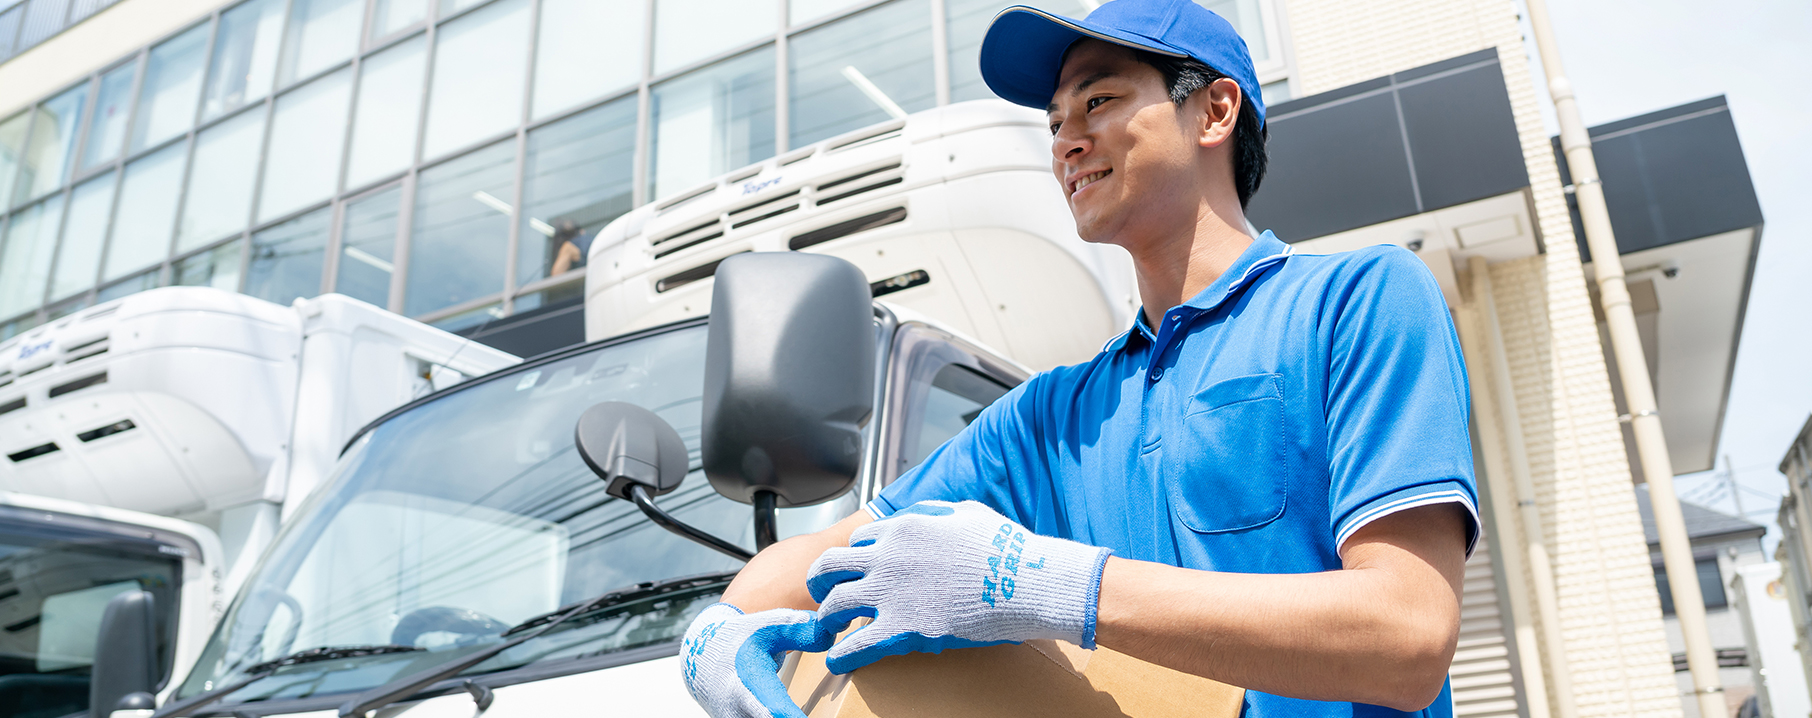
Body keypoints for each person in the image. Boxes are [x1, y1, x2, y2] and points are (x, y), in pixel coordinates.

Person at [678, 1, 1479, 716]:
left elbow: (1407, 637)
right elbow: (819, 558)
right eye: (1055, 122)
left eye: (1098, 101)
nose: (1066, 140)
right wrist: (719, 628)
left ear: (1214, 111)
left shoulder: (1358, 300)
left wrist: (1051, 587)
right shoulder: (1050, 419)